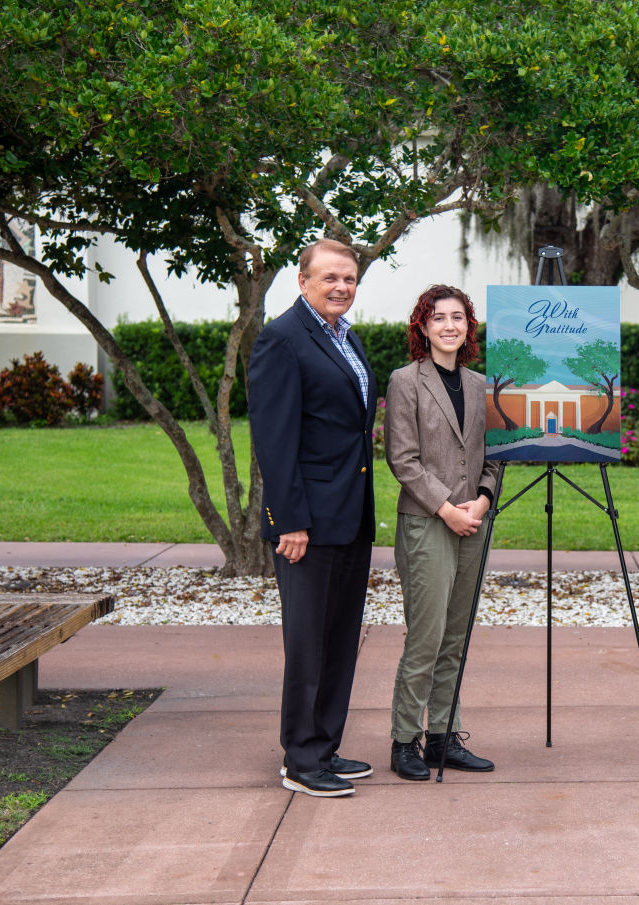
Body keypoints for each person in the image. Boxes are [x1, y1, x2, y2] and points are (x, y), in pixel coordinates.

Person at [247, 239, 377, 798]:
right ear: (303, 281)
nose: (341, 287)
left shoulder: (347, 338)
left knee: (340, 637)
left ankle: (324, 744)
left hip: (350, 515)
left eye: (349, 278)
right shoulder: (281, 339)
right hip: (308, 523)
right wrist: (289, 521)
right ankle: (300, 758)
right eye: (329, 278)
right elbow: (274, 442)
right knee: (307, 641)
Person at [383, 284, 499, 780]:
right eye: (438, 318)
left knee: (456, 637)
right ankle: (404, 739)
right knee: (426, 638)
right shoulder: (405, 381)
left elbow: (495, 456)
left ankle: (442, 737)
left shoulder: (481, 386)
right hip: (427, 522)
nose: (449, 325)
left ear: (468, 327)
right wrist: (447, 508)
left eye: (458, 317)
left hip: (474, 521)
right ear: (423, 327)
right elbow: (402, 459)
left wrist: (485, 499)